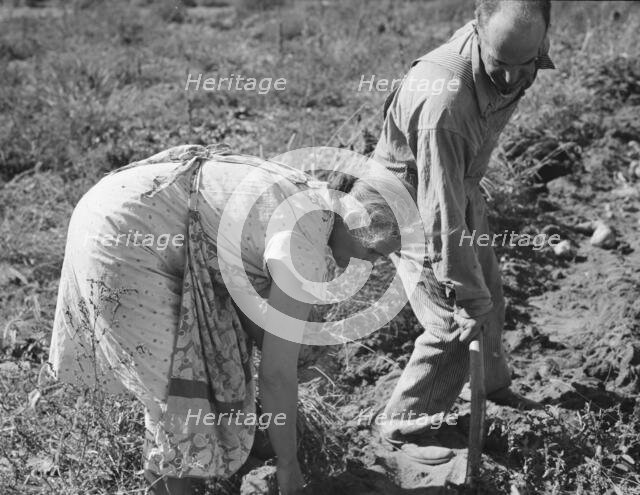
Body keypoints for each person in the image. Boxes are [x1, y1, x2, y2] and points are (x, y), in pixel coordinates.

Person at [47, 144, 416, 494]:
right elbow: (275, 374)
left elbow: (257, 325)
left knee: (217, 361)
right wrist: (288, 464)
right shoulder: (304, 247)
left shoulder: (312, 195)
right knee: (176, 401)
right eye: (371, 250)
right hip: (127, 240)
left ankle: (225, 464)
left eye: (382, 256)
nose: (369, 263)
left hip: (123, 201)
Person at [372, 0, 555, 465]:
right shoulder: (446, 104)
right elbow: (439, 212)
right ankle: (403, 423)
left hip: (458, 184)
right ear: (477, 30)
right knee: (457, 322)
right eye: (501, 66)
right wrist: (463, 295)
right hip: (407, 203)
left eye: (525, 64)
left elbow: (454, 194)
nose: (514, 79)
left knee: (488, 290)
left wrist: (477, 288)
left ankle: (491, 387)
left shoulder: (516, 45)